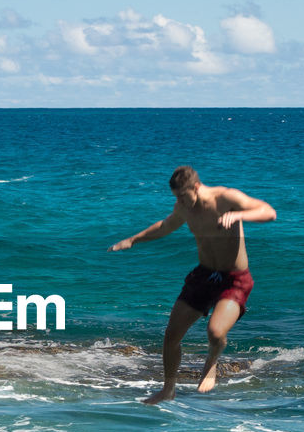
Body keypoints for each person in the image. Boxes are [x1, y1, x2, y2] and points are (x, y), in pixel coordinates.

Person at [109, 165, 276, 400]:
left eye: (183, 196)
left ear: (196, 187)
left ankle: (212, 361)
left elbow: (268, 211)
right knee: (171, 336)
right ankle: (168, 389)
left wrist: (239, 215)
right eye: (176, 198)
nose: (181, 202)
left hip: (234, 279)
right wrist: (133, 240)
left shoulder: (226, 198)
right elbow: (165, 226)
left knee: (215, 333)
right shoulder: (184, 208)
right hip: (205, 275)